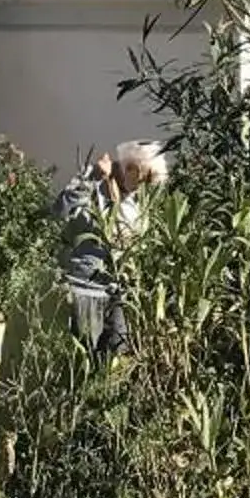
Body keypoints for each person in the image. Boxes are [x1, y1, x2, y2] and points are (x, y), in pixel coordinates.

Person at [55, 140, 170, 359]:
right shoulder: (92, 179)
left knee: (119, 346)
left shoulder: (135, 199)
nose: (144, 186)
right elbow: (60, 209)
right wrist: (91, 179)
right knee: (86, 353)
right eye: (144, 178)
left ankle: (104, 389)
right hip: (88, 287)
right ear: (130, 168)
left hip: (120, 290)